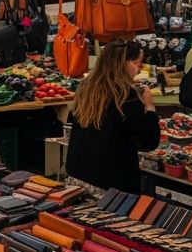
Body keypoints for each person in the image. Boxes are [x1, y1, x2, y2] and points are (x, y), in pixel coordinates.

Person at [66, 40, 162, 195]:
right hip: (112, 184)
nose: (138, 70)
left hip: (78, 176)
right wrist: (150, 108)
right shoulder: (125, 96)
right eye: (137, 63)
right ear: (122, 63)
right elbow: (149, 141)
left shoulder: (86, 88)